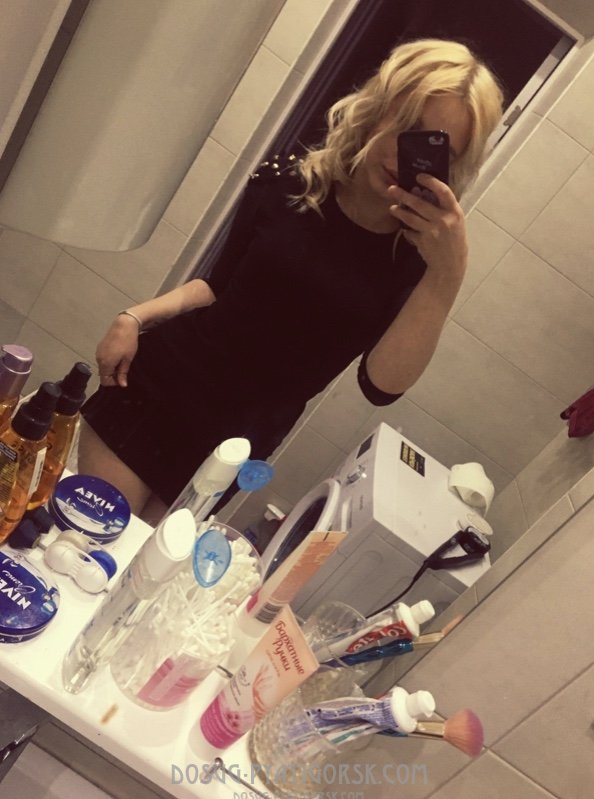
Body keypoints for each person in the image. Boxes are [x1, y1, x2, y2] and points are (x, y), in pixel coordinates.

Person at [78, 38, 504, 524]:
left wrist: (448, 274)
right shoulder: (287, 182)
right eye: (405, 123)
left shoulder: (419, 259)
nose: (403, 152)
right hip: (160, 390)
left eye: (432, 147)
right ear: (377, 109)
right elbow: (218, 285)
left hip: (236, 444)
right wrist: (133, 317)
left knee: (140, 569)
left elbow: (381, 385)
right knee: (87, 542)